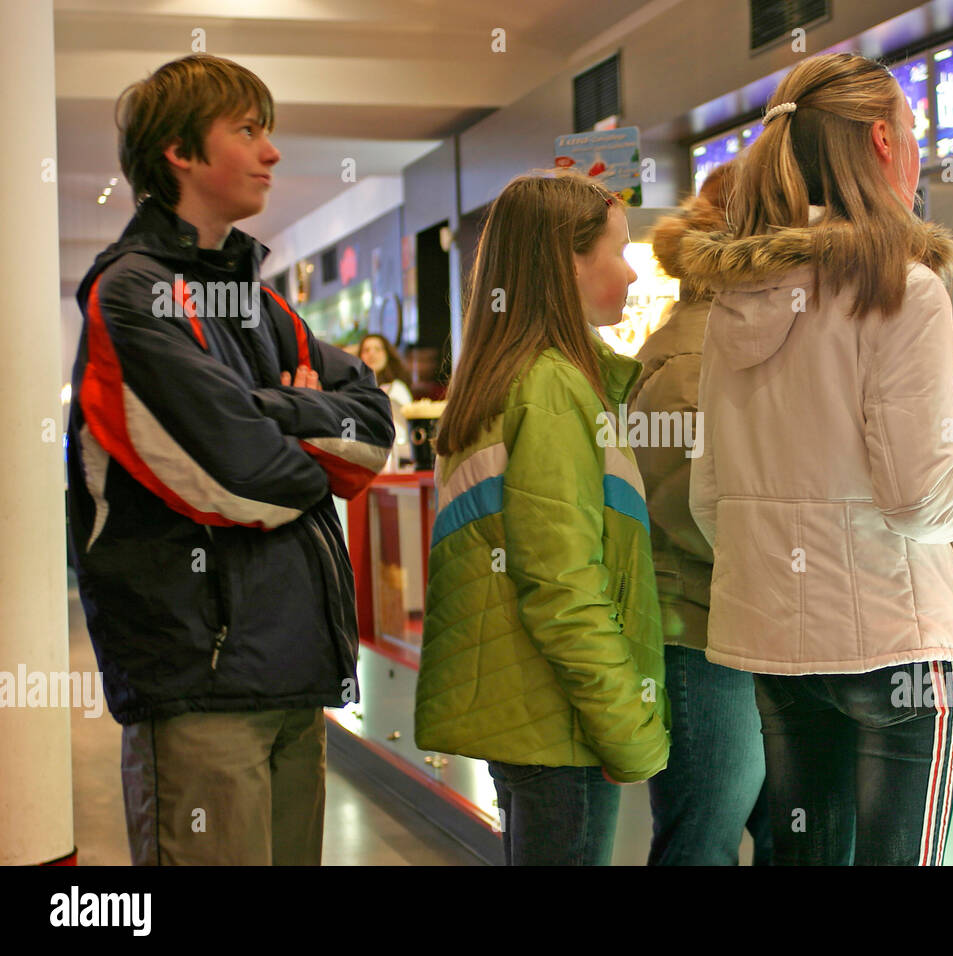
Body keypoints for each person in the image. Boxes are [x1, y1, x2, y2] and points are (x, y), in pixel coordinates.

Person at [675, 52, 953, 866]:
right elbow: (921, 496)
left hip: (771, 639)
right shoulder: (903, 287)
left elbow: (709, 497)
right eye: (913, 131)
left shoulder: (740, 294)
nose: (915, 149)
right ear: (880, 139)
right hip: (895, 642)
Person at [66, 54, 395, 865]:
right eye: (248, 131)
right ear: (180, 150)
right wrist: (300, 423)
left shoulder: (257, 297)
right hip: (198, 681)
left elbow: (373, 433)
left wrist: (271, 409)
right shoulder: (131, 293)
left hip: (296, 670)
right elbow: (238, 476)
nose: (272, 152)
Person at [414, 172, 669, 866]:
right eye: (618, 250)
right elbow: (563, 586)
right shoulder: (553, 390)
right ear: (567, 262)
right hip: (562, 720)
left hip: (528, 712)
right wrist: (628, 727)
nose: (632, 270)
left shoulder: (509, 376)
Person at [632, 161, 772, 865]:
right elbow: (698, 509)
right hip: (698, 635)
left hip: (726, 628)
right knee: (701, 843)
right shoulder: (694, 359)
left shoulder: (720, 342)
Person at [360, 333, 414, 408]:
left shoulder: (397, 388)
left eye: (377, 349)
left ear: (387, 355)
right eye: (366, 350)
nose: (371, 354)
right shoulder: (354, 388)